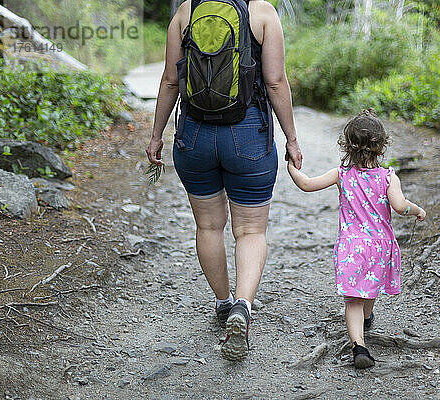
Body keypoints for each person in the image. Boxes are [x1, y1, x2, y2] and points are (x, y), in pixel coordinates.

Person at [146, 0, 303, 361]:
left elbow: (171, 79)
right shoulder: (262, 13)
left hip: (194, 135)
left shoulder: (186, 12)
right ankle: (243, 307)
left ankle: (223, 302)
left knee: (208, 226)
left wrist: (156, 135)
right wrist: (292, 138)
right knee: (250, 231)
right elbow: (275, 81)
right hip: (247, 134)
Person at [287, 109, 426, 369]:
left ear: (346, 144)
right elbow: (399, 205)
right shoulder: (388, 177)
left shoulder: (342, 174)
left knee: (352, 300)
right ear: (381, 145)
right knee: (369, 290)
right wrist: (417, 210)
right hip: (379, 247)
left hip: (351, 246)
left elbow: (306, 184)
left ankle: (359, 346)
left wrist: (291, 167)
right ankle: (367, 315)